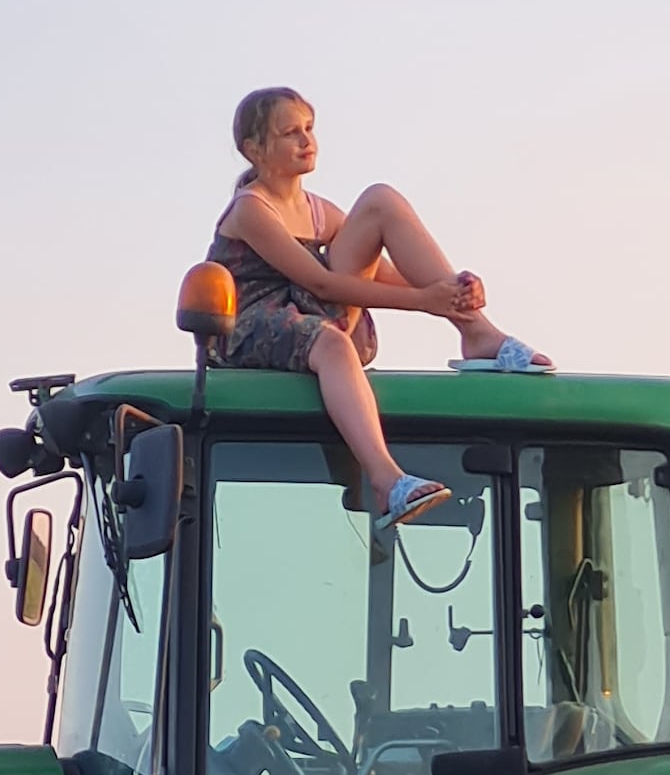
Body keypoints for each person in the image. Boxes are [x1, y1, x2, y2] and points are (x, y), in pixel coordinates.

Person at [208, 88, 553, 543]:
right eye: (290, 133)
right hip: (256, 325)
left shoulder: (317, 210)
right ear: (254, 149)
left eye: (309, 128)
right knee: (331, 343)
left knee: (380, 200)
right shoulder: (252, 209)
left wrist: (454, 293)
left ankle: (478, 331)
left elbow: (380, 269)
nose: (307, 140)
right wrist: (425, 301)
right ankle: (386, 479)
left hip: (309, 313)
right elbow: (322, 284)